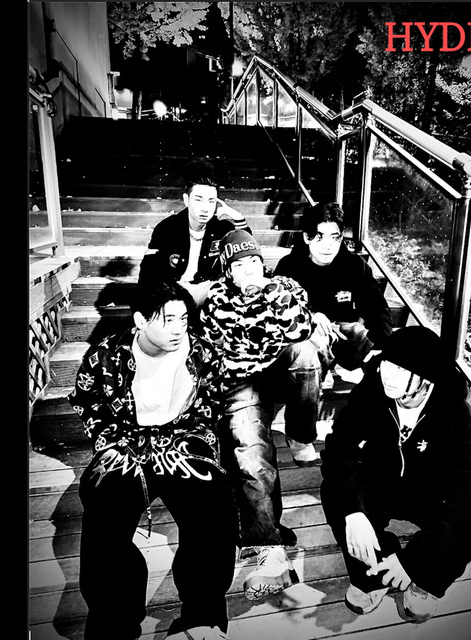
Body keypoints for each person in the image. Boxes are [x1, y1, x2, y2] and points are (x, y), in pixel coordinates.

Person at [68, 277, 237, 640]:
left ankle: (203, 615)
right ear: (141, 320)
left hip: (181, 444)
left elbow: (210, 406)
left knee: (214, 505)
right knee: (104, 515)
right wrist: (110, 445)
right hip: (127, 446)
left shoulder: (203, 353)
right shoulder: (106, 355)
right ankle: (115, 622)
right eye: (168, 320)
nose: (178, 329)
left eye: (184, 319)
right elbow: (88, 402)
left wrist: (191, 445)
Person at [320, 326, 471, 624]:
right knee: (336, 494)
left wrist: (414, 561)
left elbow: (469, 484)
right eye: (387, 364)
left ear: (426, 379)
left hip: (430, 490)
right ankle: (372, 573)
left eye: (401, 369)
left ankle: (427, 579)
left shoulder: (453, 411)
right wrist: (353, 512)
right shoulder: (371, 391)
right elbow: (338, 450)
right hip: (382, 481)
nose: (388, 374)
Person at [200, 229, 322, 601]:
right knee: (250, 453)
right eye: (239, 265)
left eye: (254, 261)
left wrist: (270, 293)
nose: (249, 269)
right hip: (242, 382)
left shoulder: (284, 286)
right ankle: (270, 549)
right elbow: (220, 353)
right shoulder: (217, 300)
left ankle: (300, 433)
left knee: (306, 353)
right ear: (228, 272)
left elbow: (301, 328)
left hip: (280, 370)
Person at [274, 201, 392, 377]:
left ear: (341, 237)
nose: (327, 245)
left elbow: (377, 308)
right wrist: (311, 318)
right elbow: (276, 314)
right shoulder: (289, 266)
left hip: (343, 339)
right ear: (306, 237)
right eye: (319, 237)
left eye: (334, 237)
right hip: (306, 337)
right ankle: (320, 370)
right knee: (307, 344)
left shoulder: (355, 266)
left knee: (364, 335)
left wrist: (382, 345)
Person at [138, 159, 250, 308]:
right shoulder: (167, 228)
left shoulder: (222, 228)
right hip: (175, 292)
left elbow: (247, 252)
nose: (205, 208)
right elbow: (148, 273)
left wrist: (238, 218)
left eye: (211, 201)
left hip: (208, 290)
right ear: (186, 200)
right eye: (198, 200)